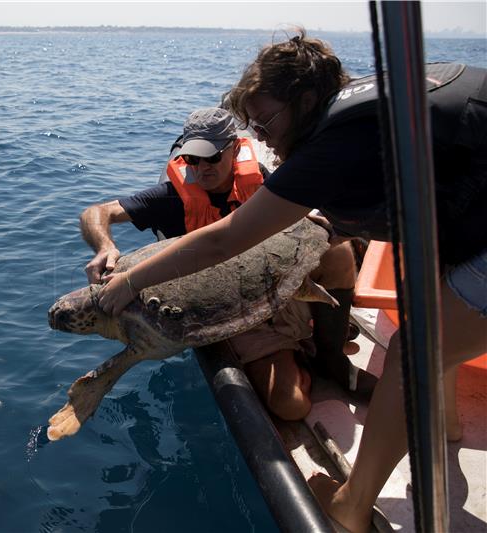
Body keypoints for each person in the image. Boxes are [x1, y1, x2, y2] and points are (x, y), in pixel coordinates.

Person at [96, 30, 487, 533]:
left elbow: (225, 240)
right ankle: (447, 422)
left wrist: (130, 283)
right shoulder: (370, 106)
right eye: (251, 125)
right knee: (433, 295)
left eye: (265, 121)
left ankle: (350, 507)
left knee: (414, 355)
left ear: (305, 100)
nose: (260, 137)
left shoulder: (333, 144)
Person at [80, 106, 363, 421]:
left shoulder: (264, 184)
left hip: (280, 281)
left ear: (235, 148)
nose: (202, 168)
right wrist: (104, 245)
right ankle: (301, 356)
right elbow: (96, 212)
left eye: (212, 157)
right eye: (192, 159)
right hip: (233, 310)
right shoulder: (170, 198)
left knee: (339, 250)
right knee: (291, 405)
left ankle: (330, 358)